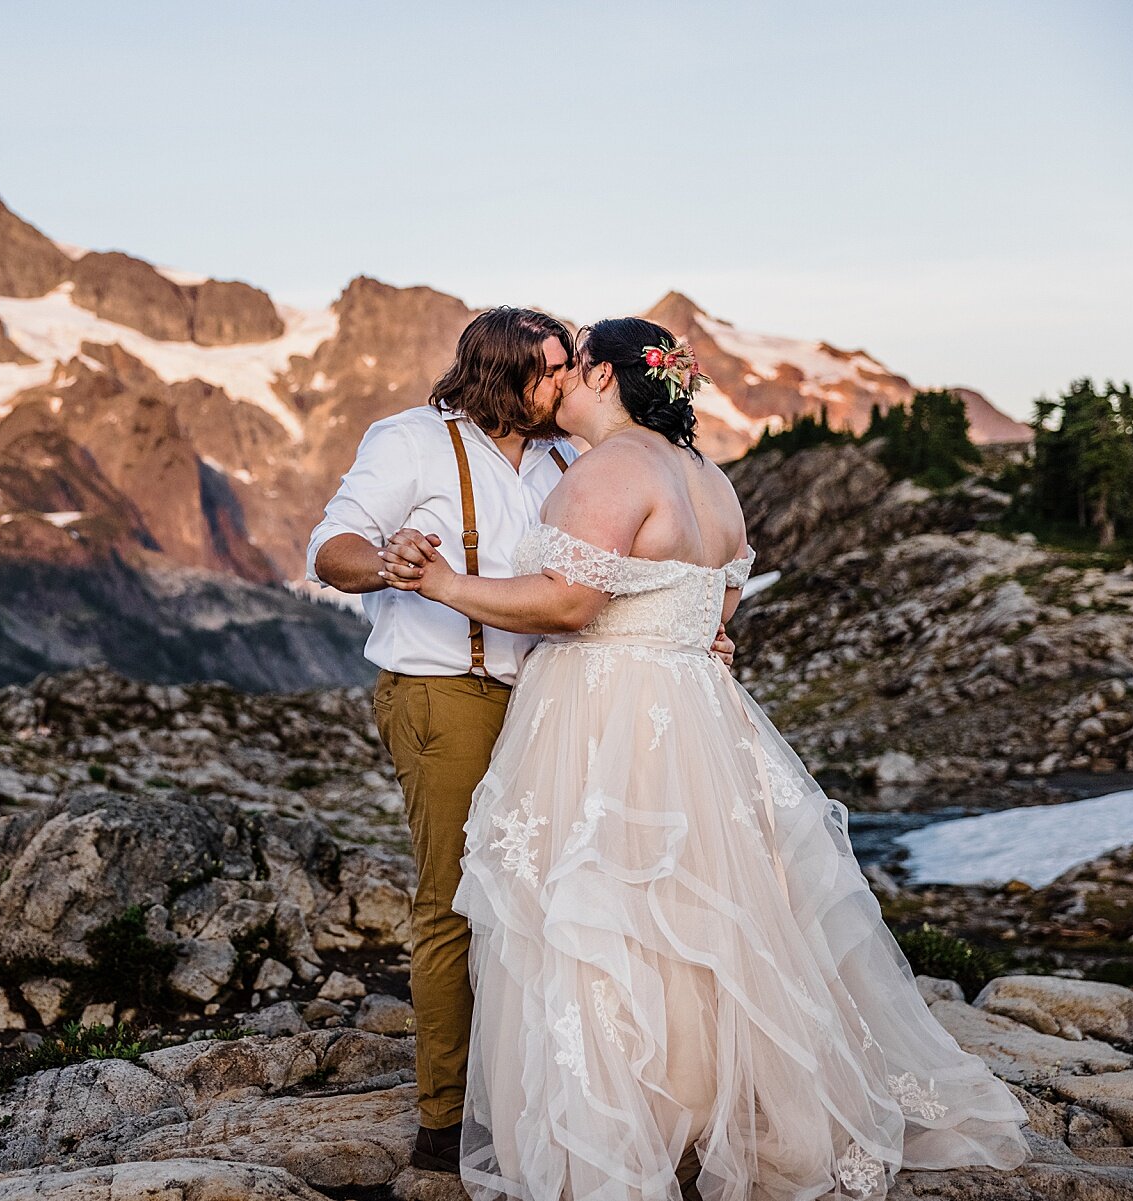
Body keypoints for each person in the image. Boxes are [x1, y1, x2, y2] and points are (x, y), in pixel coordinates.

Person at [383, 316, 1029, 1199]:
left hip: (606, 708)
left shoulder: (610, 469)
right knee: (700, 909)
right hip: (695, 710)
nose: (559, 382)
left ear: (607, 378)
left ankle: (621, 1120)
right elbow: (718, 617)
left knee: (605, 907)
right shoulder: (711, 480)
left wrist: (444, 585)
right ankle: (704, 1103)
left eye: (572, 367)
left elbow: (568, 604)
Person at [306, 306, 581, 1171]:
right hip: (441, 694)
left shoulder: (566, 454)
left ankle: (537, 1089)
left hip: (550, 700)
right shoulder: (410, 440)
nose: (563, 383)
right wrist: (384, 558)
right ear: (501, 375)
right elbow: (328, 548)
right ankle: (444, 1116)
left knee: (549, 899)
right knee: (456, 900)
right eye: (549, 371)